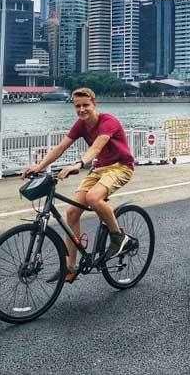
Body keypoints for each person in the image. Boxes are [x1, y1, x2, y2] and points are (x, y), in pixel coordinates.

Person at [22, 87, 135, 282]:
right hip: (99, 169)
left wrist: (79, 164)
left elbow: (97, 147)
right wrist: (38, 167)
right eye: (77, 106)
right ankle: (70, 266)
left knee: (93, 198)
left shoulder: (108, 121)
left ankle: (118, 237)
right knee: (72, 213)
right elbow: (60, 148)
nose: (82, 110)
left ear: (94, 104)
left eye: (86, 105)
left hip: (120, 167)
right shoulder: (80, 125)